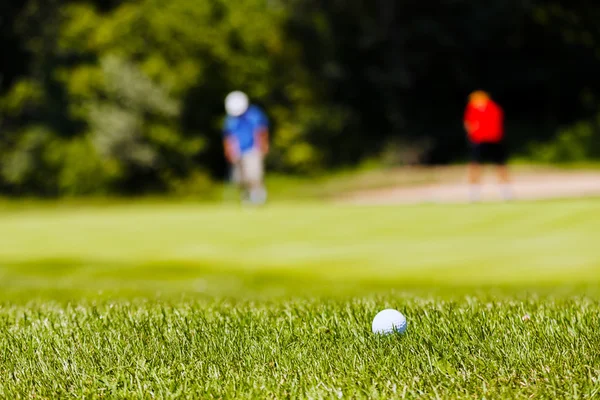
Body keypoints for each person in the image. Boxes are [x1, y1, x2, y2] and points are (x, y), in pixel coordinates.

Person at [463, 90, 512, 202]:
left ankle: (506, 192)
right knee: (475, 166)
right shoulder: (472, 108)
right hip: (479, 140)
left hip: (494, 140)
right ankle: (474, 193)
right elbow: (468, 124)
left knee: (500, 165)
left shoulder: (493, 108)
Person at [222, 91, 269, 205]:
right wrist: (229, 150)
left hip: (252, 149)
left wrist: (263, 145)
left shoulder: (254, 114)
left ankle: (257, 197)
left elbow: (261, 131)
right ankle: (246, 198)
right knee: (239, 179)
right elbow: (228, 136)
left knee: (253, 175)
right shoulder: (230, 119)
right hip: (238, 151)